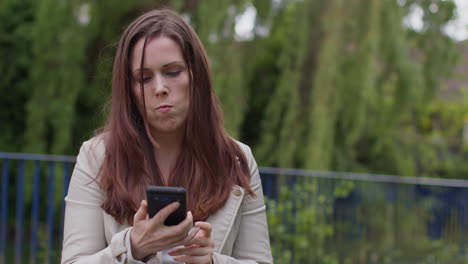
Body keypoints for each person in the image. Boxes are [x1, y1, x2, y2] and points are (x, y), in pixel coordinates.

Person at [61, 8, 273, 264]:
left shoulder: (236, 159)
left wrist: (212, 261)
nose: (160, 88)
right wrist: (132, 248)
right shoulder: (97, 157)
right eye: (144, 78)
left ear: (197, 76)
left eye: (172, 72)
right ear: (129, 90)